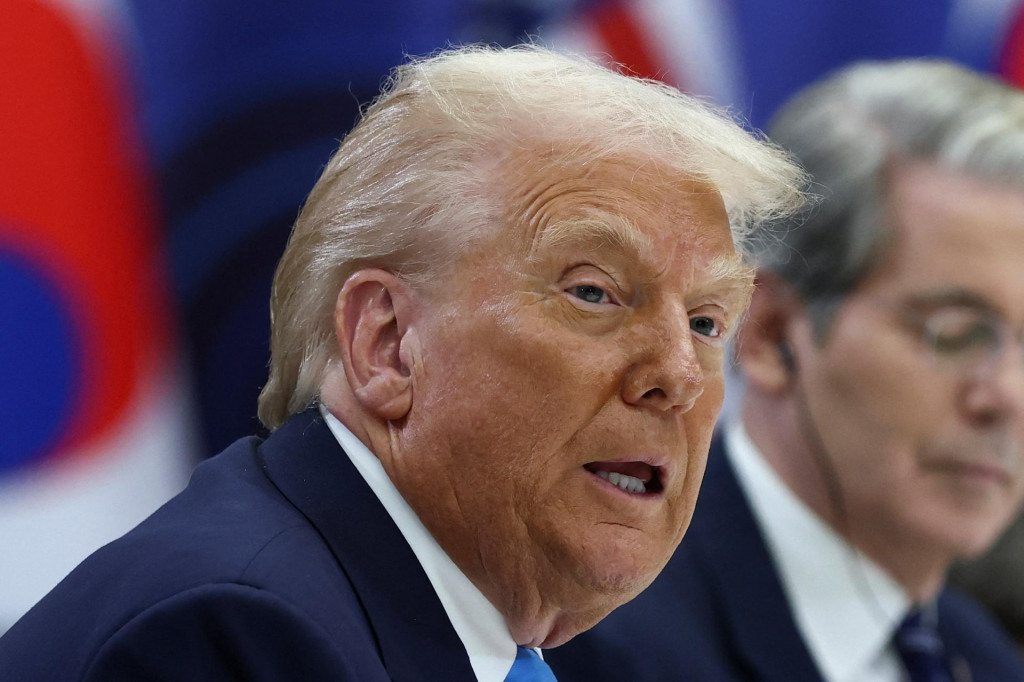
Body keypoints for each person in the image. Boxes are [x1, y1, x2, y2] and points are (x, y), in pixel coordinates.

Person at [0, 45, 803, 681]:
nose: (680, 373)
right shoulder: (239, 638)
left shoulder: (459, 631)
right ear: (387, 344)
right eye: (594, 293)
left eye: (705, 320)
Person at [548, 60, 1024, 682]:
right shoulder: (592, 630)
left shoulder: (984, 656)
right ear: (769, 333)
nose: (1008, 396)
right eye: (955, 333)